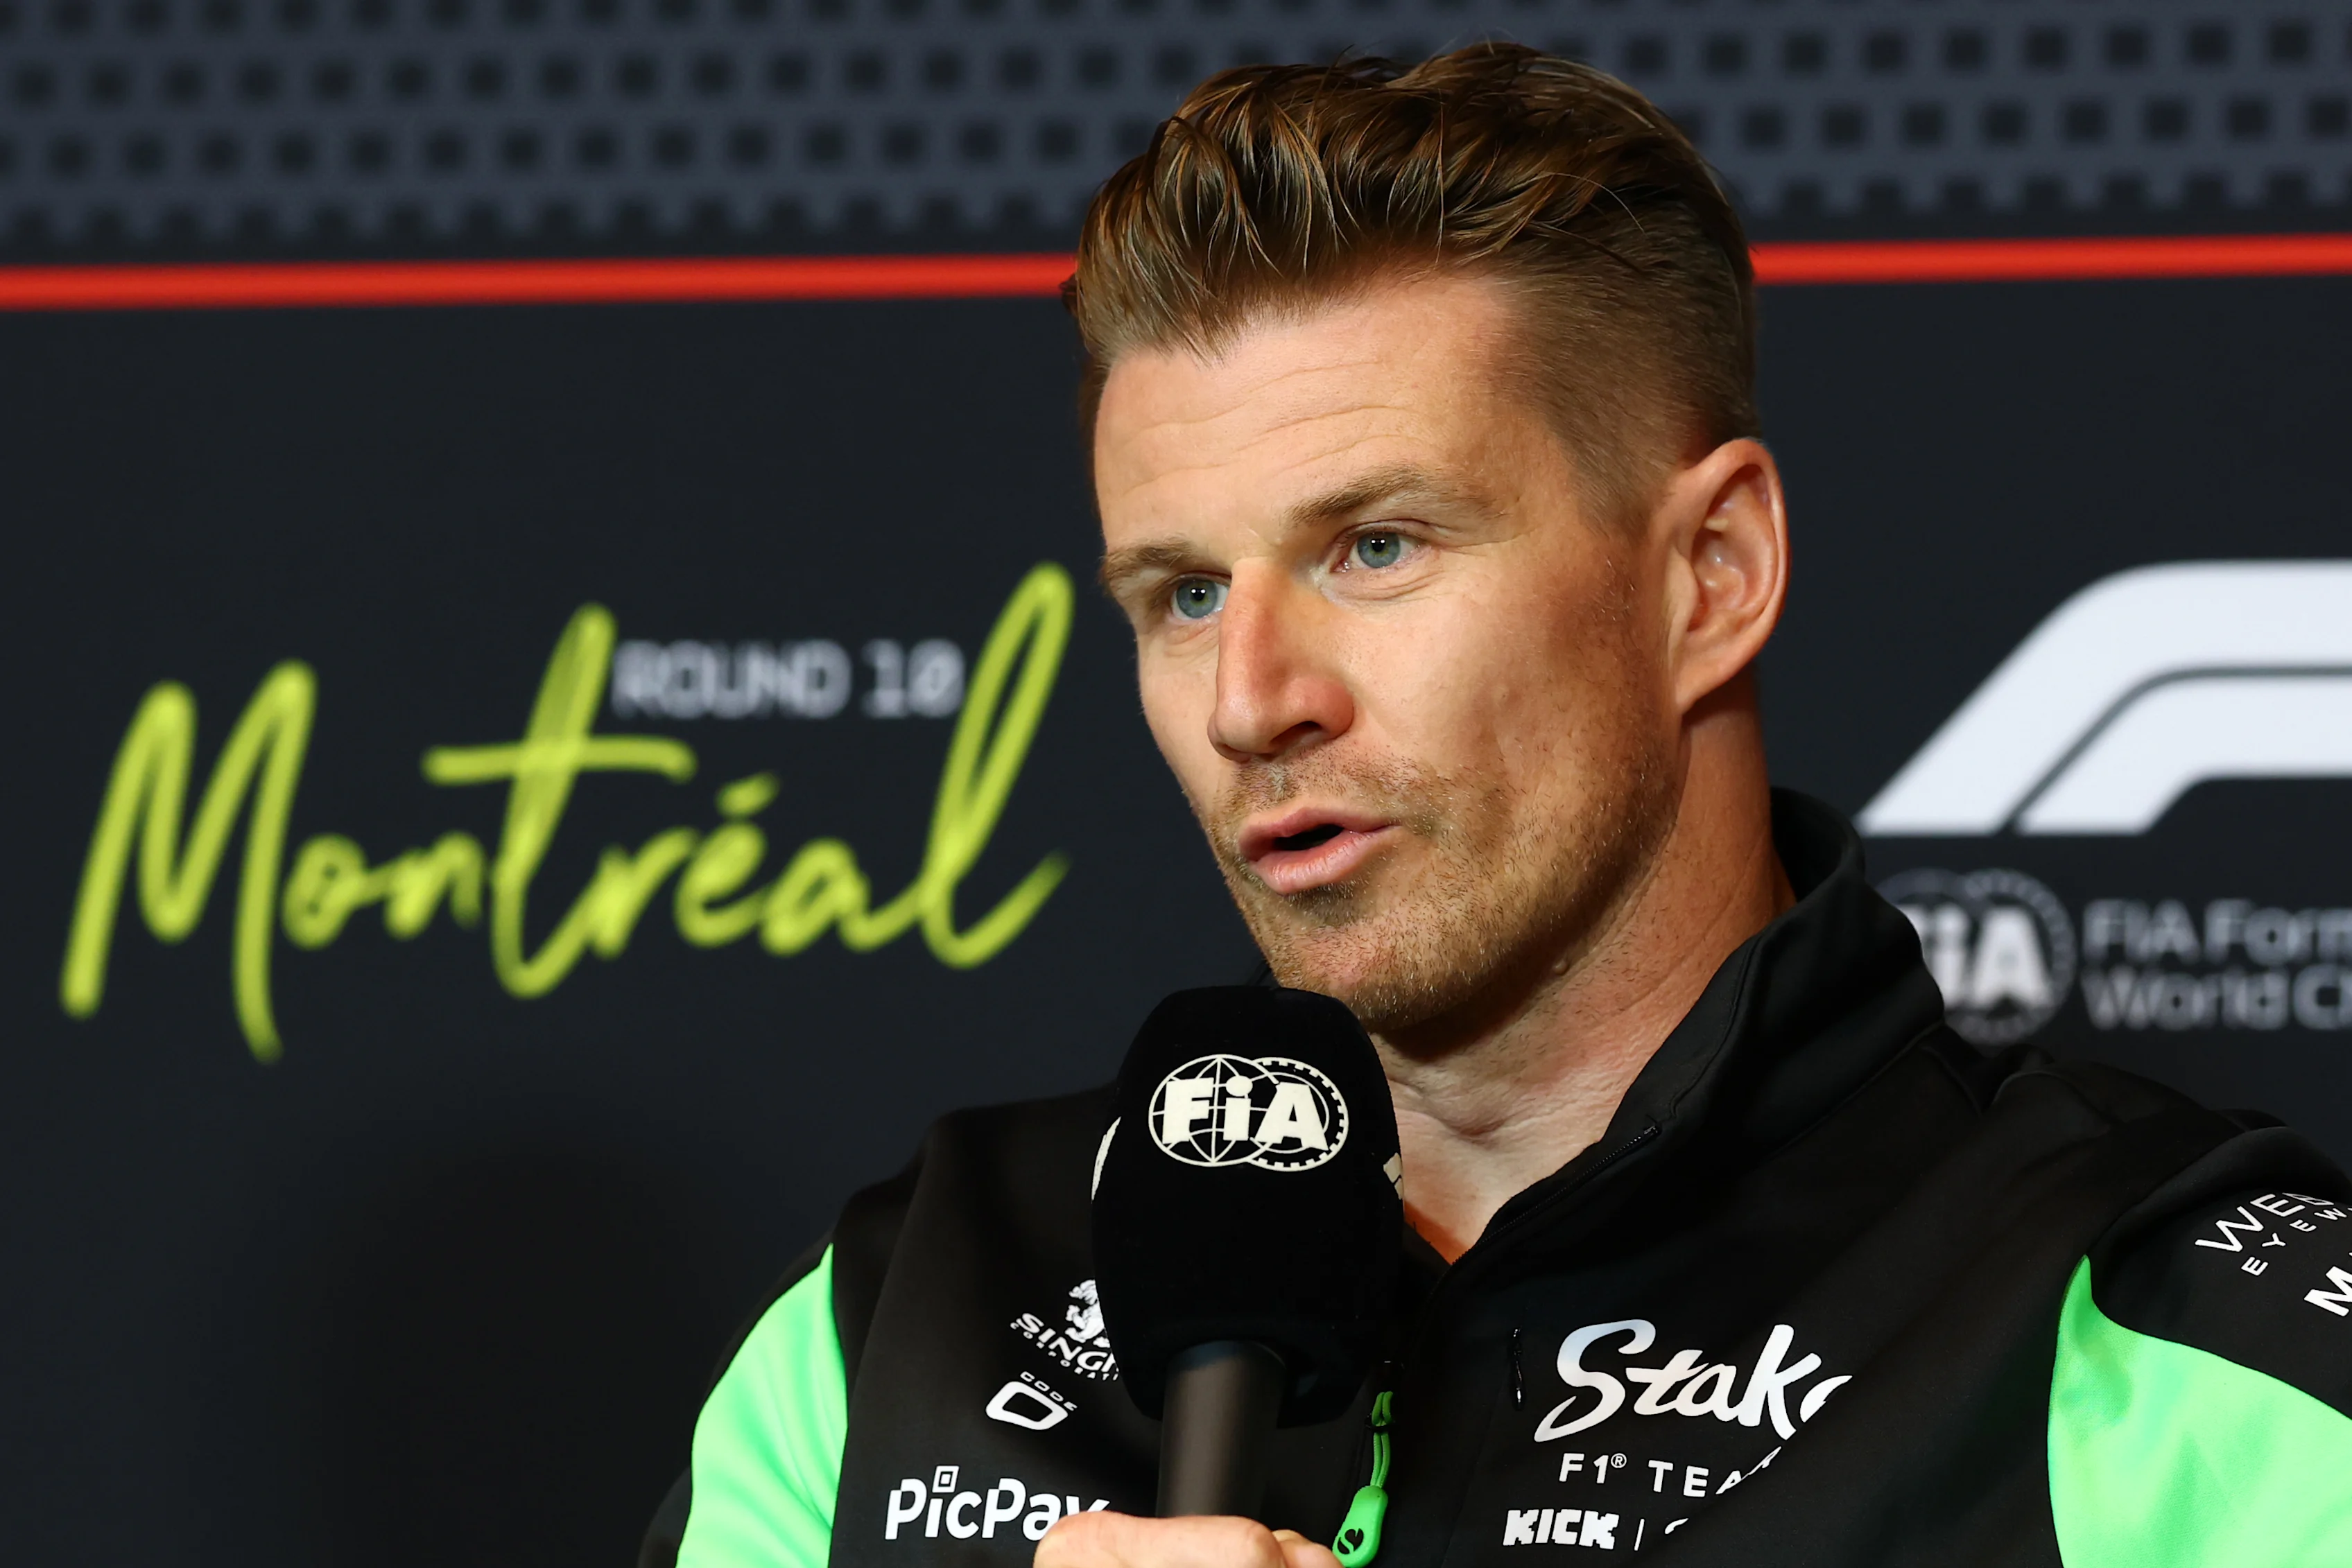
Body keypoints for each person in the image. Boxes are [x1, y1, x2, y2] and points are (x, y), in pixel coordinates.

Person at [646, 46, 2352, 1568]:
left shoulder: (2180, 1350)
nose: (1250, 700)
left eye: (1374, 549)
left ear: (1711, 573)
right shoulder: (897, 1328)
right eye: (1178, 594)